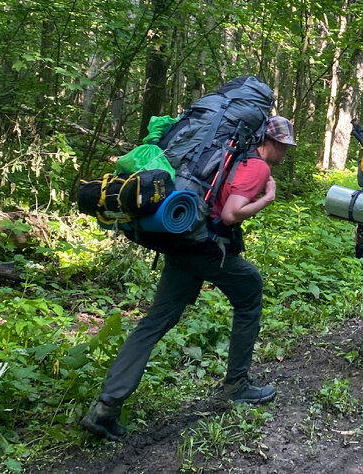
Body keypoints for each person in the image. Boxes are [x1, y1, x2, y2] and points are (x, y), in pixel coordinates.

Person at [81, 116, 298, 441]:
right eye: (286, 147)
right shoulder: (257, 167)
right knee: (250, 288)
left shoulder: (228, 155)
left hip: (182, 243)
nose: (286, 154)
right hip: (205, 249)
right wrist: (265, 200)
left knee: (154, 323)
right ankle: (237, 385)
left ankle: (104, 408)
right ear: (275, 143)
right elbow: (230, 213)